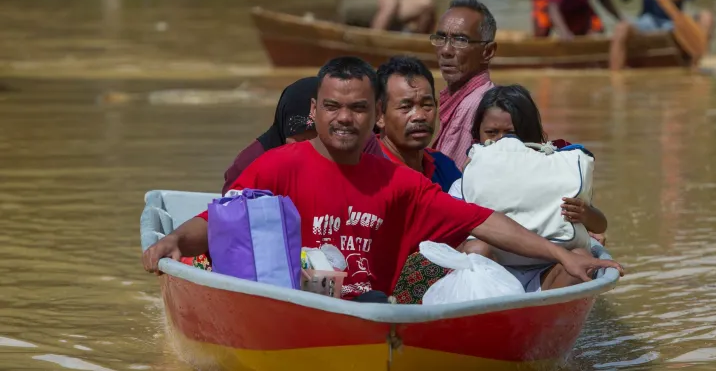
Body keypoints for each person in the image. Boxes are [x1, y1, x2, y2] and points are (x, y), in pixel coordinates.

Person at [142, 57, 623, 302]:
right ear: (315, 110)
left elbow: (483, 220)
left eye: (356, 108)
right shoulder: (278, 167)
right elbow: (223, 219)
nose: (343, 119)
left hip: (375, 310)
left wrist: (561, 254)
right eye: (332, 107)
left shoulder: (397, 183)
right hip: (298, 305)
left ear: (374, 115)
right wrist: (174, 239)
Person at [449, 85, 609, 291]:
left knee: (581, 257)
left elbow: (600, 225)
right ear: (477, 134)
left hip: (549, 274)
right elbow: (451, 235)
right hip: (493, 276)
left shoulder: (557, 173)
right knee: (475, 249)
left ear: (530, 135)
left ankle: (550, 315)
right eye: (491, 133)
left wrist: (585, 214)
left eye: (511, 134)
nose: (501, 142)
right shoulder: (464, 183)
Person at [222, 76, 383, 194]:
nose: (309, 147)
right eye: (301, 140)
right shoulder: (250, 163)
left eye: (317, 138)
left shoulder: (361, 144)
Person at [375, 56, 461, 192]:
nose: (419, 116)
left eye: (427, 105)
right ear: (379, 115)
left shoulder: (444, 167)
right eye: (406, 107)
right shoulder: (368, 172)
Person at [429, 0, 497, 170]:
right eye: (441, 38)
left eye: (460, 40)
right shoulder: (480, 97)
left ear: (487, 52)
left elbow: (446, 184)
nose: (445, 50)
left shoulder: (471, 107)